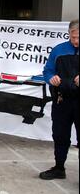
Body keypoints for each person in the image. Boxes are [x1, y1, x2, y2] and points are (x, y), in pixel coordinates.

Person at [40, 19, 79, 180]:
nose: (76, 41)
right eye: (73, 37)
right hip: (62, 100)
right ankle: (59, 167)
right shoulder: (59, 50)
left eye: (79, 37)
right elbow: (47, 71)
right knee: (60, 135)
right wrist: (51, 78)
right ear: (68, 34)